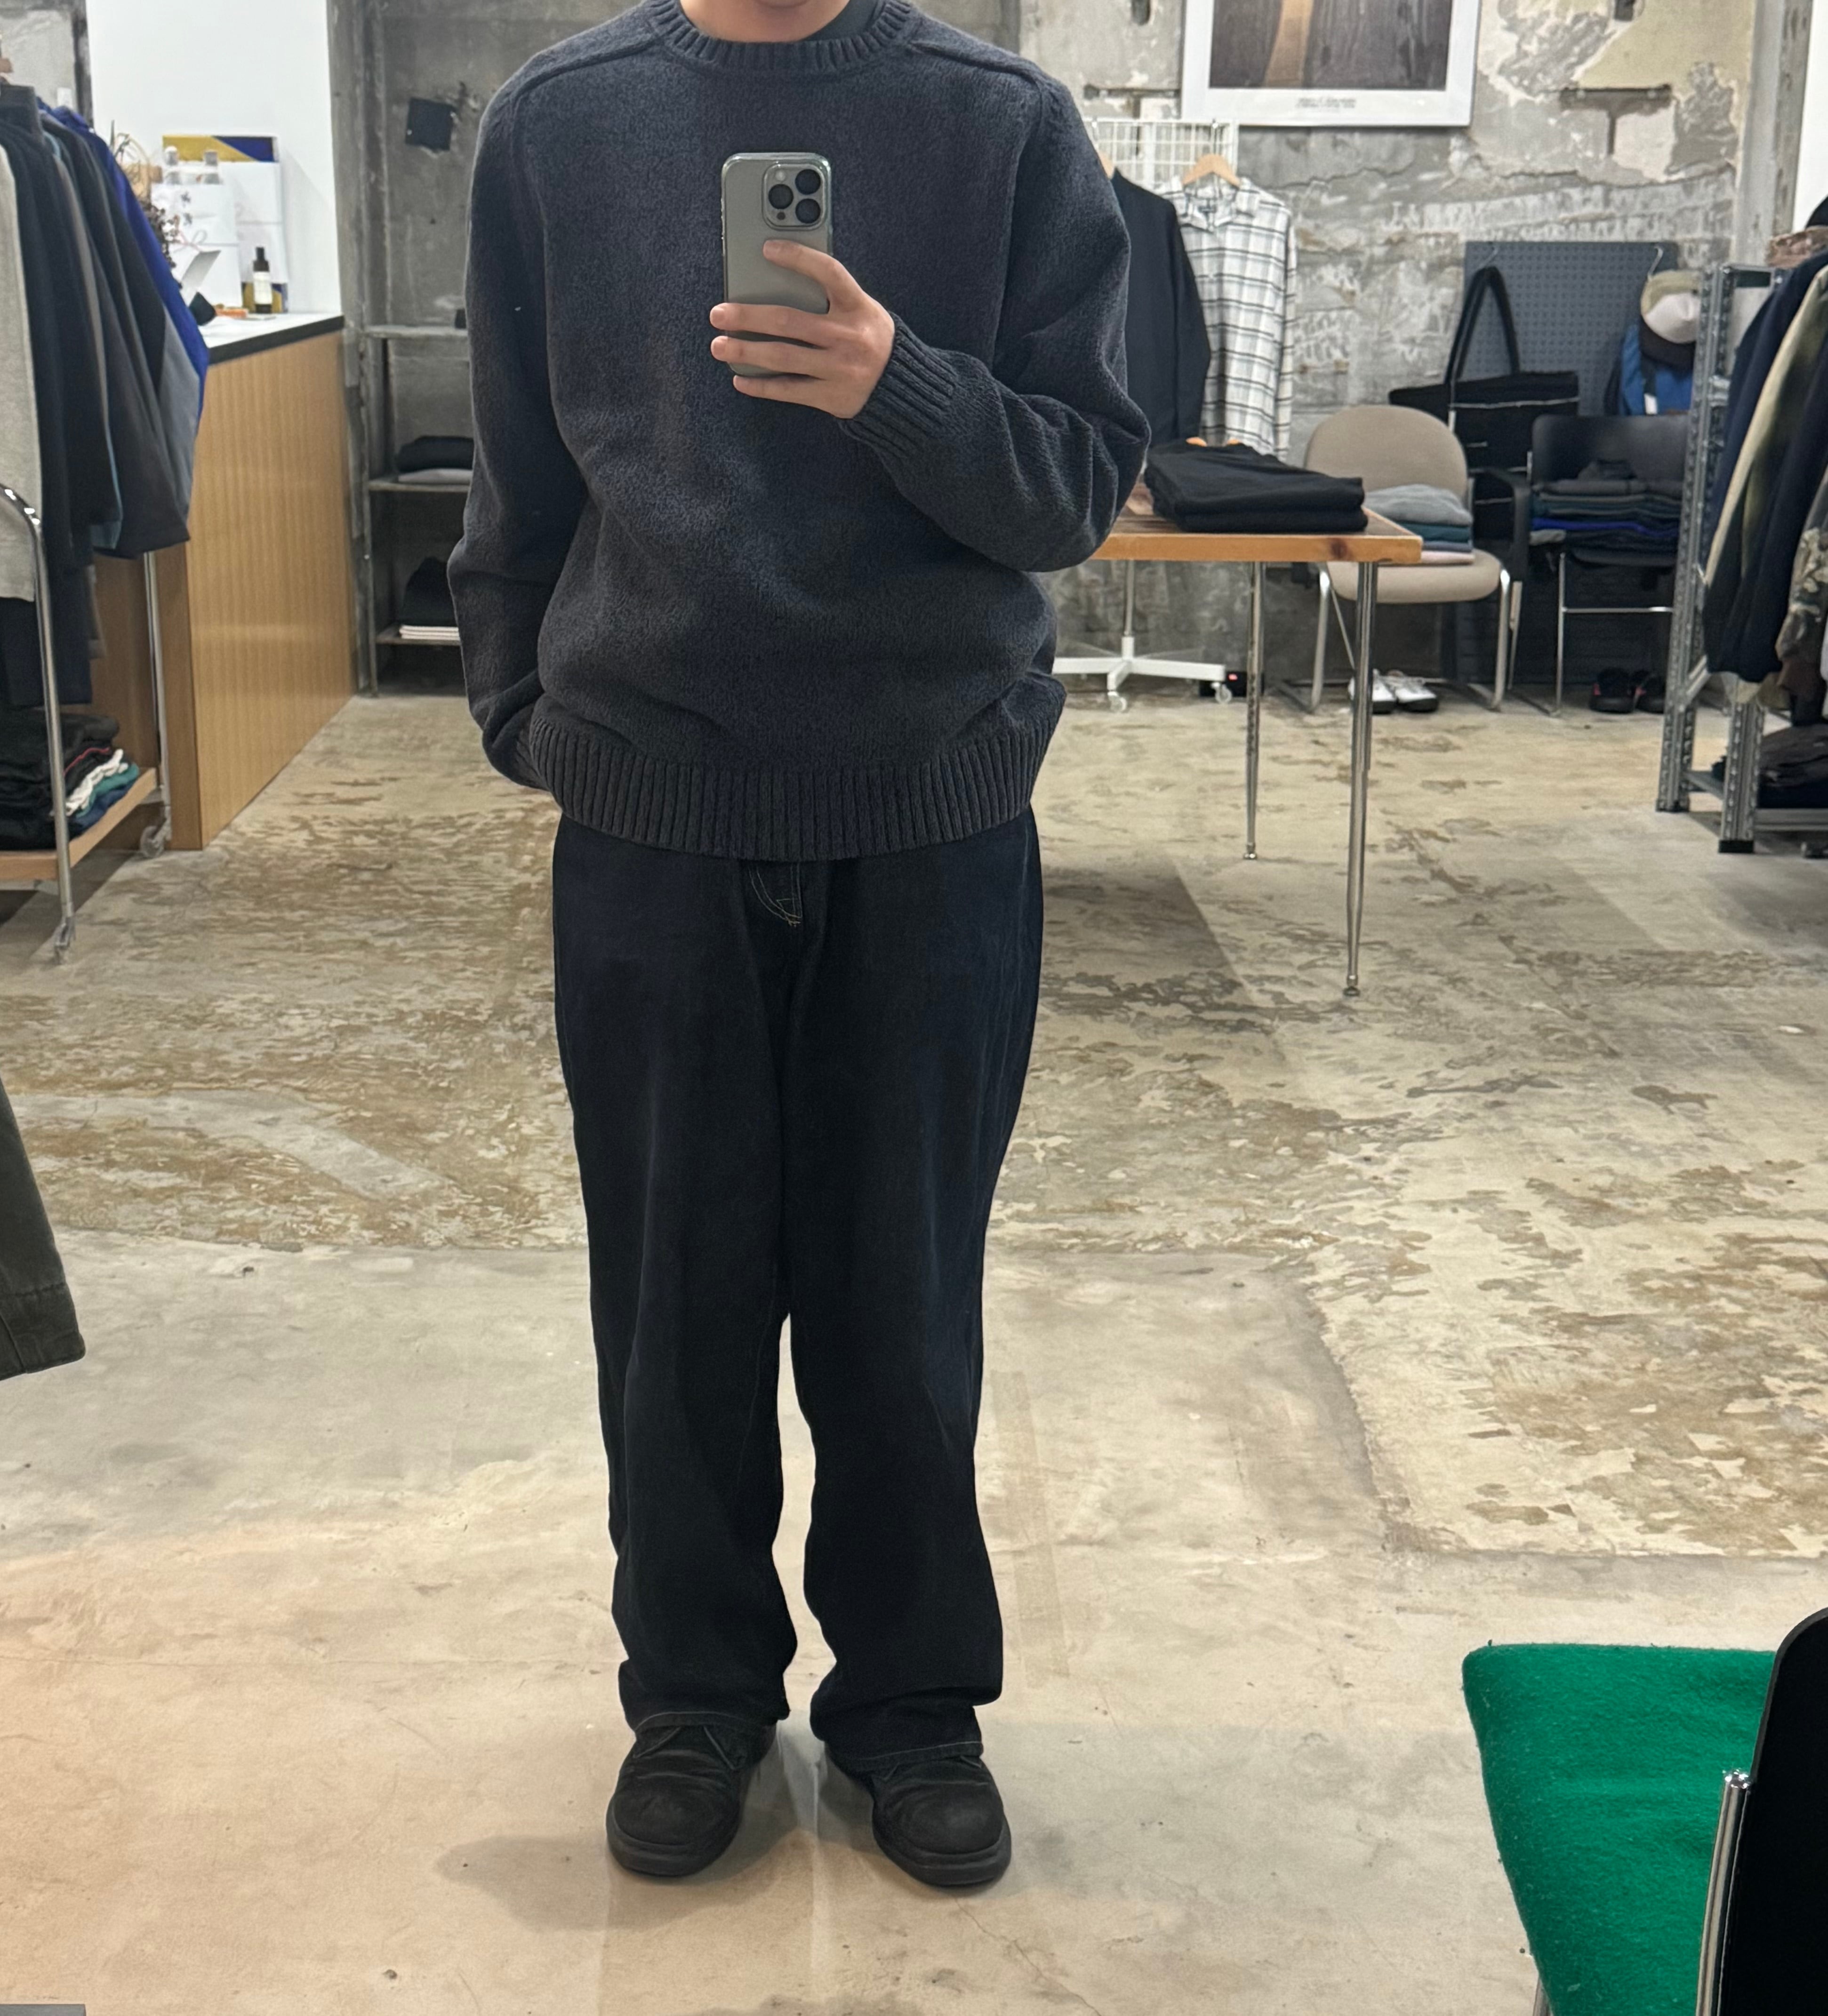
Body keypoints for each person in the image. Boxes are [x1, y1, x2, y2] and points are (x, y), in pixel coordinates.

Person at [452, 0, 1147, 1890]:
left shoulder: (1001, 126)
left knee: (901, 1305)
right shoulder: (558, 125)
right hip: (652, 809)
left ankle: (910, 1706)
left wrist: (894, 381)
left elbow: (1076, 487)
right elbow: (517, 466)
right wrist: (522, 709)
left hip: (928, 809)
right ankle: (693, 1698)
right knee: (669, 1307)